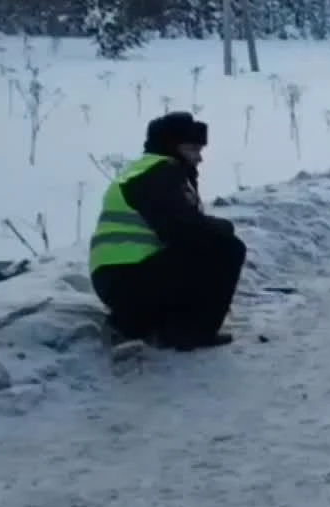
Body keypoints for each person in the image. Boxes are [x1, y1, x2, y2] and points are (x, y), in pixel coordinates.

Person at [88, 111, 246, 350]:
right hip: (127, 280)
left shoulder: (150, 171)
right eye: (193, 150)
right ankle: (189, 332)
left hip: (121, 278)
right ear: (173, 147)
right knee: (226, 248)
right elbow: (183, 231)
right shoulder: (158, 174)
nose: (199, 158)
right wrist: (224, 228)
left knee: (212, 244)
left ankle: (153, 323)